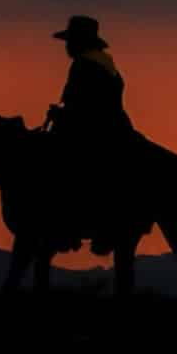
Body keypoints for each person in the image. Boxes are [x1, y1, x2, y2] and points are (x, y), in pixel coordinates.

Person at [47, 14, 135, 244]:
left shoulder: (83, 65)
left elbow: (83, 105)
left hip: (92, 129)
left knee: (57, 166)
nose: (67, 46)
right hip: (118, 126)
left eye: (70, 41)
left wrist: (59, 114)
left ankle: (66, 225)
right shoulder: (107, 63)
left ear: (78, 43)